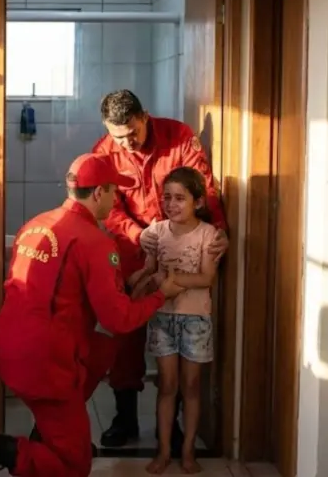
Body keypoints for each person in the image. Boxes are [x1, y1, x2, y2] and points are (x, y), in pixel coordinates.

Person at [0, 154, 186, 477]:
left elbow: (73, 290)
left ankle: (48, 437)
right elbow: (119, 320)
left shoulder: (36, 224)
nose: (117, 199)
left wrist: (137, 281)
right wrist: (161, 295)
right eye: (115, 191)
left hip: (10, 346)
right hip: (46, 362)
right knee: (74, 465)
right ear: (99, 193)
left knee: (102, 349)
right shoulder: (97, 243)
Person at [92, 89, 229, 451]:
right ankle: (125, 417)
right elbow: (111, 211)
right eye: (117, 136)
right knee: (126, 334)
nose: (126, 143)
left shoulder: (179, 137)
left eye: (132, 133)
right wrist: (141, 236)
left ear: (145, 115)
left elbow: (206, 189)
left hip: (184, 244)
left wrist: (219, 232)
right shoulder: (104, 151)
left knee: (180, 327)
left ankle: (174, 427)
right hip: (134, 250)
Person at [130, 167, 219, 474]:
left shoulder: (209, 234)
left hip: (195, 320)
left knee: (191, 387)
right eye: (167, 197)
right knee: (167, 386)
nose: (171, 204)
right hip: (162, 319)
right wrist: (142, 282)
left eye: (180, 198)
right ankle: (164, 451)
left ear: (197, 201)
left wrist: (169, 278)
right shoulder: (155, 232)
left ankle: (188, 450)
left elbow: (207, 276)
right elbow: (149, 270)